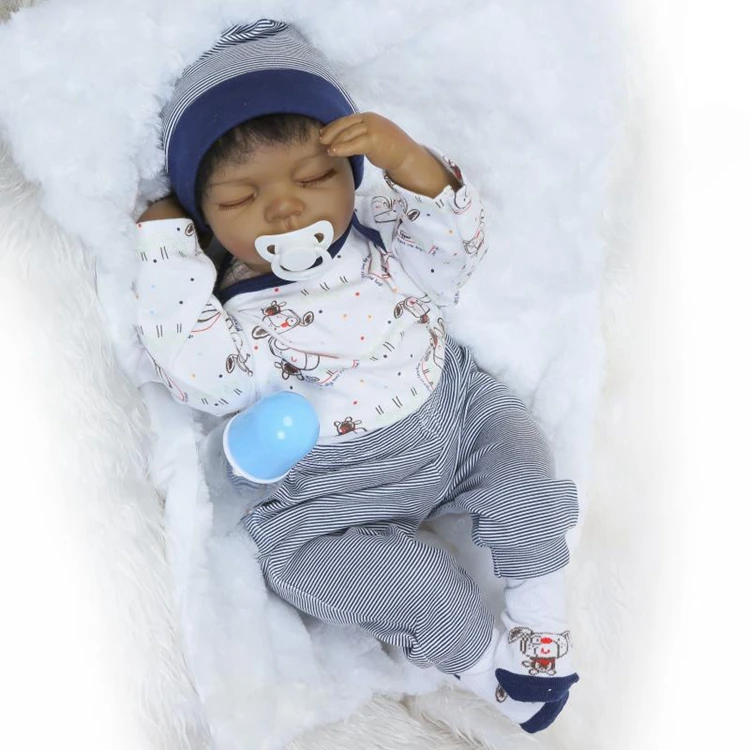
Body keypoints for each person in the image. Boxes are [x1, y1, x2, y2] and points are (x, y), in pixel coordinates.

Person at [134, 19, 580, 733]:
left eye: (314, 178)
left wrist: (406, 159)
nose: (285, 205)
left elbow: (454, 251)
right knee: (360, 575)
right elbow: (200, 378)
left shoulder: (380, 239)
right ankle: (489, 668)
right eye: (241, 198)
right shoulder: (229, 306)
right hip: (335, 492)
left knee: (523, 462)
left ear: (349, 173)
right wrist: (165, 247)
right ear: (205, 218)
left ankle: (541, 621)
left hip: (455, 414)